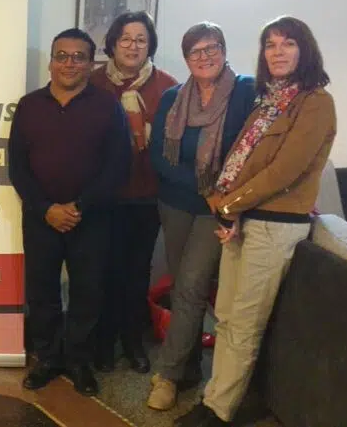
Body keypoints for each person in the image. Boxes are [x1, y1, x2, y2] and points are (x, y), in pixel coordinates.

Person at [177, 16, 336, 427]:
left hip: (275, 225)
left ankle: (218, 411)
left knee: (245, 323)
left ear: (305, 50)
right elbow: (241, 160)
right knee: (227, 316)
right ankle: (218, 396)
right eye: (270, 45)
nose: (277, 52)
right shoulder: (269, 101)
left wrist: (230, 205)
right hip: (243, 220)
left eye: (288, 44)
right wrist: (227, 205)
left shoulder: (316, 102)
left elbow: (285, 170)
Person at [9, 28, 131, 397]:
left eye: (79, 57)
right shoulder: (29, 106)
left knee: (87, 293)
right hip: (41, 218)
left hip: (91, 218)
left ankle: (79, 361)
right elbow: (17, 167)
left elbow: (118, 166)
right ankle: (48, 358)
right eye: (61, 55)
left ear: (91, 64)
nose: (69, 63)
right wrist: (46, 208)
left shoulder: (108, 106)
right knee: (42, 291)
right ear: (50, 62)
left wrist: (79, 207)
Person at [145, 22, 256, 411]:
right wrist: (203, 189)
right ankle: (189, 367)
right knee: (182, 287)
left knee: (191, 285)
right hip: (177, 203)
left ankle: (167, 375)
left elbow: (250, 150)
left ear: (224, 51)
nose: (205, 56)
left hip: (219, 208)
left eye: (212, 48)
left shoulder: (245, 92)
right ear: (186, 57)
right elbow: (159, 156)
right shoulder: (173, 97)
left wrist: (219, 195)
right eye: (196, 51)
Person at [88, 11, 178, 374]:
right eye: (125, 38)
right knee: (103, 270)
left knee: (137, 271)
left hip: (145, 195)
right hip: (102, 195)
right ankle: (104, 340)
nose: (133, 46)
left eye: (141, 39)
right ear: (112, 43)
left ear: (150, 45)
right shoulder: (93, 82)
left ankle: (132, 339)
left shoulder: (168, 87)